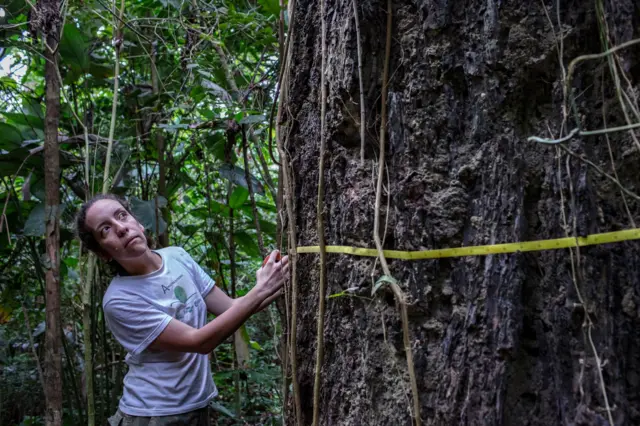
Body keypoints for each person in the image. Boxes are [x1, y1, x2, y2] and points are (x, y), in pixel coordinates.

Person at [75, 194, 288, 426]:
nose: (121, 228)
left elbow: (231, 308)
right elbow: (198, 342)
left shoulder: (176, 256)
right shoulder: (119, 300)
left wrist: (277, 280)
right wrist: (260, 290)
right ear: (103, 253)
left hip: (196, 405)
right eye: (105, 229)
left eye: (122, 215)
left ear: (137, 222)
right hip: (154, 413)